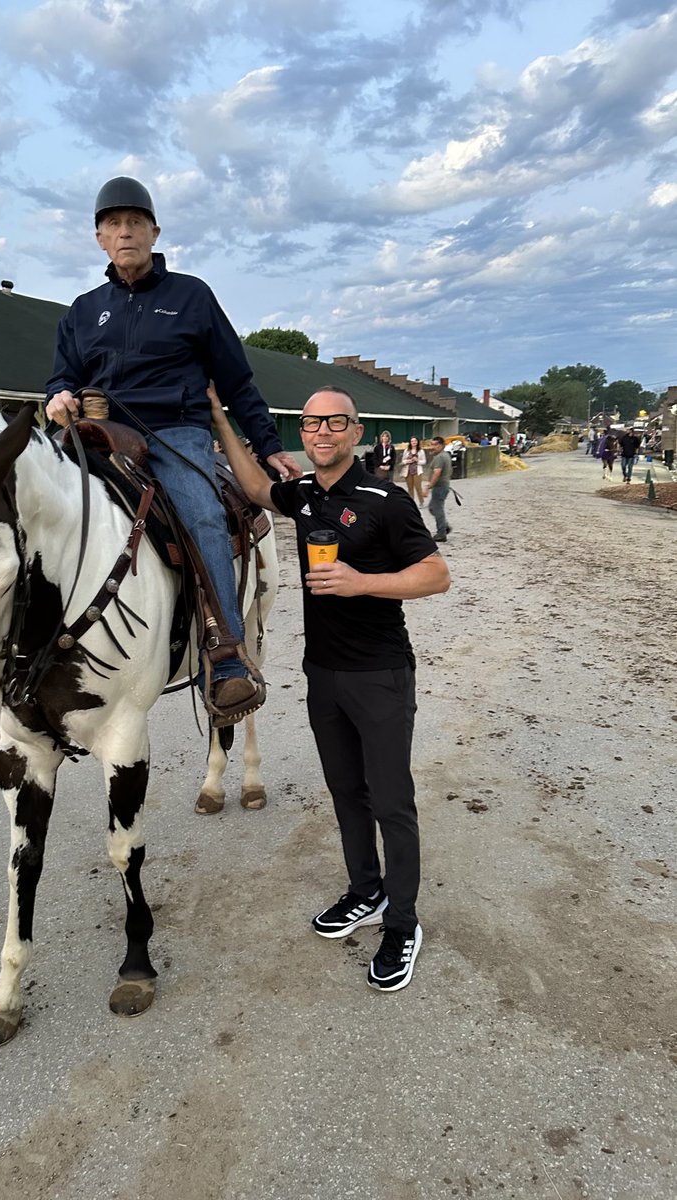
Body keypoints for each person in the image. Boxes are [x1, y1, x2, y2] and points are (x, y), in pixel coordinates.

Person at [210, 384, 450, 992]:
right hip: (325, 675)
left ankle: (402, 922)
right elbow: (257, 486)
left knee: (391, 800)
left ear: (356, 431)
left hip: (380, 674)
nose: (321, 432)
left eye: (335, 423)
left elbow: (436, 575)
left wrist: (360, 582)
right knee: (346, 793)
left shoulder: (385, 499)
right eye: (312, 422)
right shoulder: (305, 496)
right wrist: (218, 411)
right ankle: (365, 892)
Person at [45, 176, 301, 725]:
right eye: (113, 224)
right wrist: (57, 395)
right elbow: (61, 376)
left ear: (154, 231)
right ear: (99, 239)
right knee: (32, 503)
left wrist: (269, 446)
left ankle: (227, 656)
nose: (124, 232)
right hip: (96, 430)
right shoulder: (83, 310)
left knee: (205, 515)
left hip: (173, 431)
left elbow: (236, 380)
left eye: (134, 222)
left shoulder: (192, 295)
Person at [424, 436, 452, 542]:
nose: (433, 447)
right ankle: (444, 526)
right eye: (432, 444)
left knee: (437, 509)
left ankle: (441, 533)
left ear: (441, 445)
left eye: (435, 445)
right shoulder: (445, 455)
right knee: (432, 508)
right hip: (443, 486)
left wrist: (429, 486)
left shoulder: (440, 457)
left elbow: (437, 473)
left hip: (439, 487)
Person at [400, 436, 426, 506]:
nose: (414, 442)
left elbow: (424, 461)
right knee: (410, 488)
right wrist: (408, 461)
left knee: (418, 487)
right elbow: (403, 460)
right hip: (408, 471)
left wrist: (417, 461)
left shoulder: (421, 451)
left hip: (417, 471)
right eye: (412, 441)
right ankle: (411, 503)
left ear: (417, 442)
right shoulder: (406, 450)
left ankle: (421, 502)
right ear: (410, 442)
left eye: (415, 441)